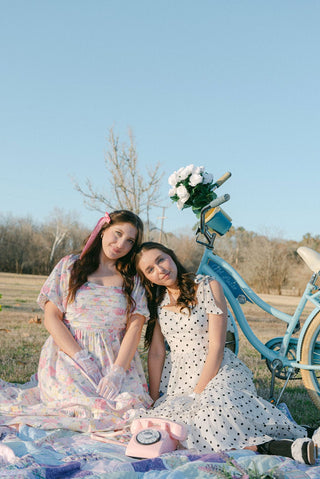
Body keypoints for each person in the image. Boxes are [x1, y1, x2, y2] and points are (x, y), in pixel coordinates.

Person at [135, 241, 319, 465]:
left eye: (161, 260)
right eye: (150, 269)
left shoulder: (207, 286)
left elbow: (216, 346)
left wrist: (198, 393)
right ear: (146, 278)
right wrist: (155, 398)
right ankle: (271, 446)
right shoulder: (158, 302)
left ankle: (291, 438)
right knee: (178, 425)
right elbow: (156, 354)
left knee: (211, 410)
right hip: (178, 379)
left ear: (171, 257)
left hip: (218, 369)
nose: (160, 269)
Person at [0, 210, 152, 432]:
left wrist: (117, 372)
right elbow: (51, 318)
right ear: (102, 230)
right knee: (81, 406)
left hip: (115, 358)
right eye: (117, 233)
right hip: (69, 355)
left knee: (125, 408)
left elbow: (135, 327)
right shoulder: (70, 265)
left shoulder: (132, 277)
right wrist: (82, 358)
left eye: (129, 241)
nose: (121, 244)